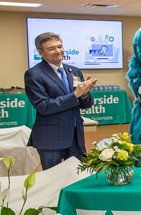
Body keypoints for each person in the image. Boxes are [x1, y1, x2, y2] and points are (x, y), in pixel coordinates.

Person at [25, 32, 97, 169]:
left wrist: (84, 94)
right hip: (51, 139)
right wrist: (75, 95)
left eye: (60, 46)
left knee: (80, 177)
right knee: (53, 181)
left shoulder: (73, 71)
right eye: (52, 48)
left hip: (76, 137)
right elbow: (44, 106)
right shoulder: (34, 74)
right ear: (40, 52)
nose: (58, 51)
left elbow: (86, 104)